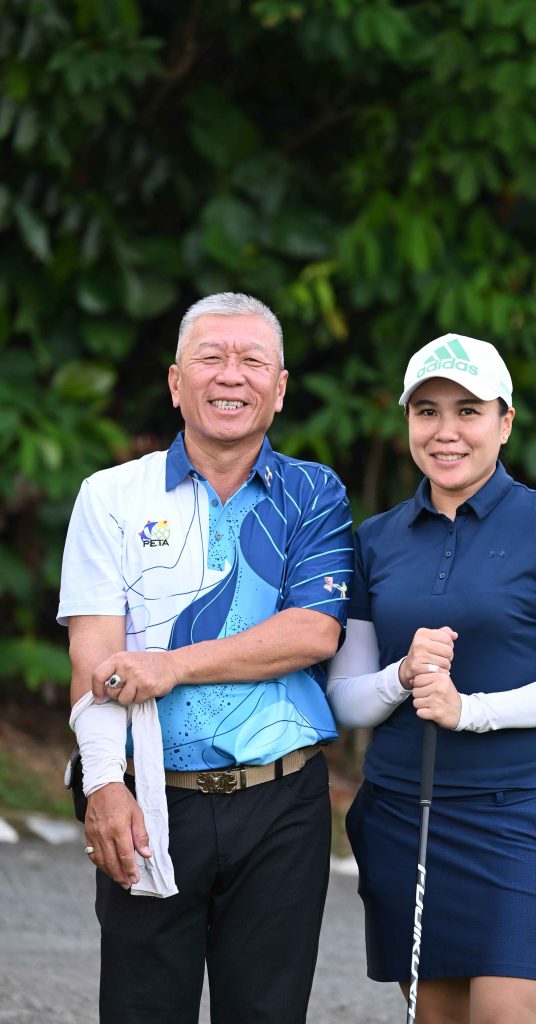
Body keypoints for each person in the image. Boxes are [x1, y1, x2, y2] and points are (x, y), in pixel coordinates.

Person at [57, 292, 353, 1024]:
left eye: (252, 360)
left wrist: (170, 665)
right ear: (174, 381)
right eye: (210, 357)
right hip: (152, 796)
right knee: (142, 1009)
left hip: (283, 800)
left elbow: (313, 632)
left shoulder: (313, 493)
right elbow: (93, 655)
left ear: (279, 388)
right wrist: (103, 784)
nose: (231, 375)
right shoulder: (110, 496)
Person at [326, 332, 536, 1024]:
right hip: (404, 813)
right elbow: (344, 699)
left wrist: (468, 710)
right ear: (406, 421)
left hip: (517, 815)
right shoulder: (374, 539)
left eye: (468, 411)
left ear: (505, 422)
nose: (445, 431)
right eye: (426, 411)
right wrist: (401, 675)